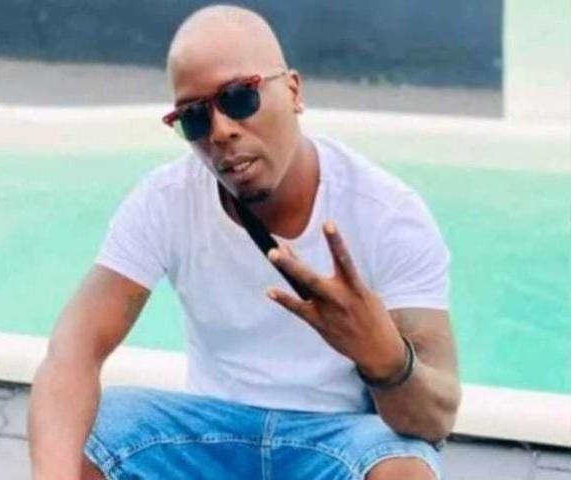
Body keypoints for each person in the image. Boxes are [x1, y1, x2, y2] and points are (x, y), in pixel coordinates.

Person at [28, 5, 461, 479]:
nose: (220, 131)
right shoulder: (167, 199)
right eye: (194, 118)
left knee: (404, 467)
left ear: (292, 91)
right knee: (88, 431)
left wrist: (385, 358)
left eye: (239, 98)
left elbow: (436, 419)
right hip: (209, 437)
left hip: (336, 442)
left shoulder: (387, 214)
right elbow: (73, 352)